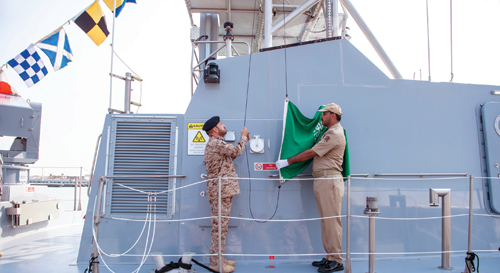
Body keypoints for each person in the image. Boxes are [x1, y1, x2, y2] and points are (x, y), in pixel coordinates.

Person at [276, 103, 346, 272]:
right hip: (323, 181)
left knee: (331, 221)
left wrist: (287, 162)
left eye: (324, 114)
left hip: (329, 181)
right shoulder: (329, 132)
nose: (321, 117)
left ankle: (336, 260)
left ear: (333, 115)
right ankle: (329, 256)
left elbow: (311, 153)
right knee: (325, 221)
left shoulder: (335, 133)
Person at [203, 116, 250, 273]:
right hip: (220, 192)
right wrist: (243, 137)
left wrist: (244, 141)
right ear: (215, 129)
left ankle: (219, 258)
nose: (225, 126)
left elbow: (233, 155)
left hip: (221, 191)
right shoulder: (216, 143)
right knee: (219, 228)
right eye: (222, 125)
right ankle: (216, 263)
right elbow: (236, 151)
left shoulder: (217, 144)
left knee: (221, 227)